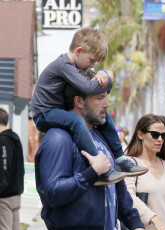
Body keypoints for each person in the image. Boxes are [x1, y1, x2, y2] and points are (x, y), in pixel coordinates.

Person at [34, 70, 152, 230]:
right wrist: (92, 172)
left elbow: (117, 188)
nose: (106, 104)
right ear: (78, 101)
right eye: (99, 98)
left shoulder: (99, 137)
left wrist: (136, 225)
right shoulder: (59, 138)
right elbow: (53, 193)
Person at [30, 27, 147, 186]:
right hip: (44, 114)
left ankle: (120, 159)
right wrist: (108, 76)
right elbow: (88, 88)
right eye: (91, 60)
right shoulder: (64, 65)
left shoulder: (78, 66)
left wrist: (103, 75)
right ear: (78, 51)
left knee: (104, 119)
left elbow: (94, 83)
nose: (92, 66)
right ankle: (99, 168)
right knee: (76, 122)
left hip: (58, 110)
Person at [0, 108, 24, 230]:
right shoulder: (15, 139)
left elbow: (4, 167)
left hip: (5, 195)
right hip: (15, 193)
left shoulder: (3, 141)